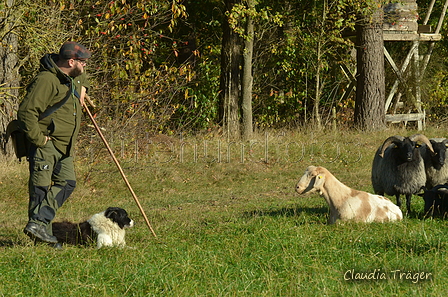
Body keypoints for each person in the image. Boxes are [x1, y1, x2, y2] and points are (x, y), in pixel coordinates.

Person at [18, 41, 91, 247]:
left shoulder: (72, 77)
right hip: (46, 144)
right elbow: (26, 113)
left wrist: (83, 87)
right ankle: (43, 238)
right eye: (83, 63)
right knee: (40, 189)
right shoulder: (46, 80)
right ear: (71, 61)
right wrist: (39, 139)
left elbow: (82, 77)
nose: (85, 67)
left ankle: (38, 225)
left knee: (67, 183)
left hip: (65, 146)